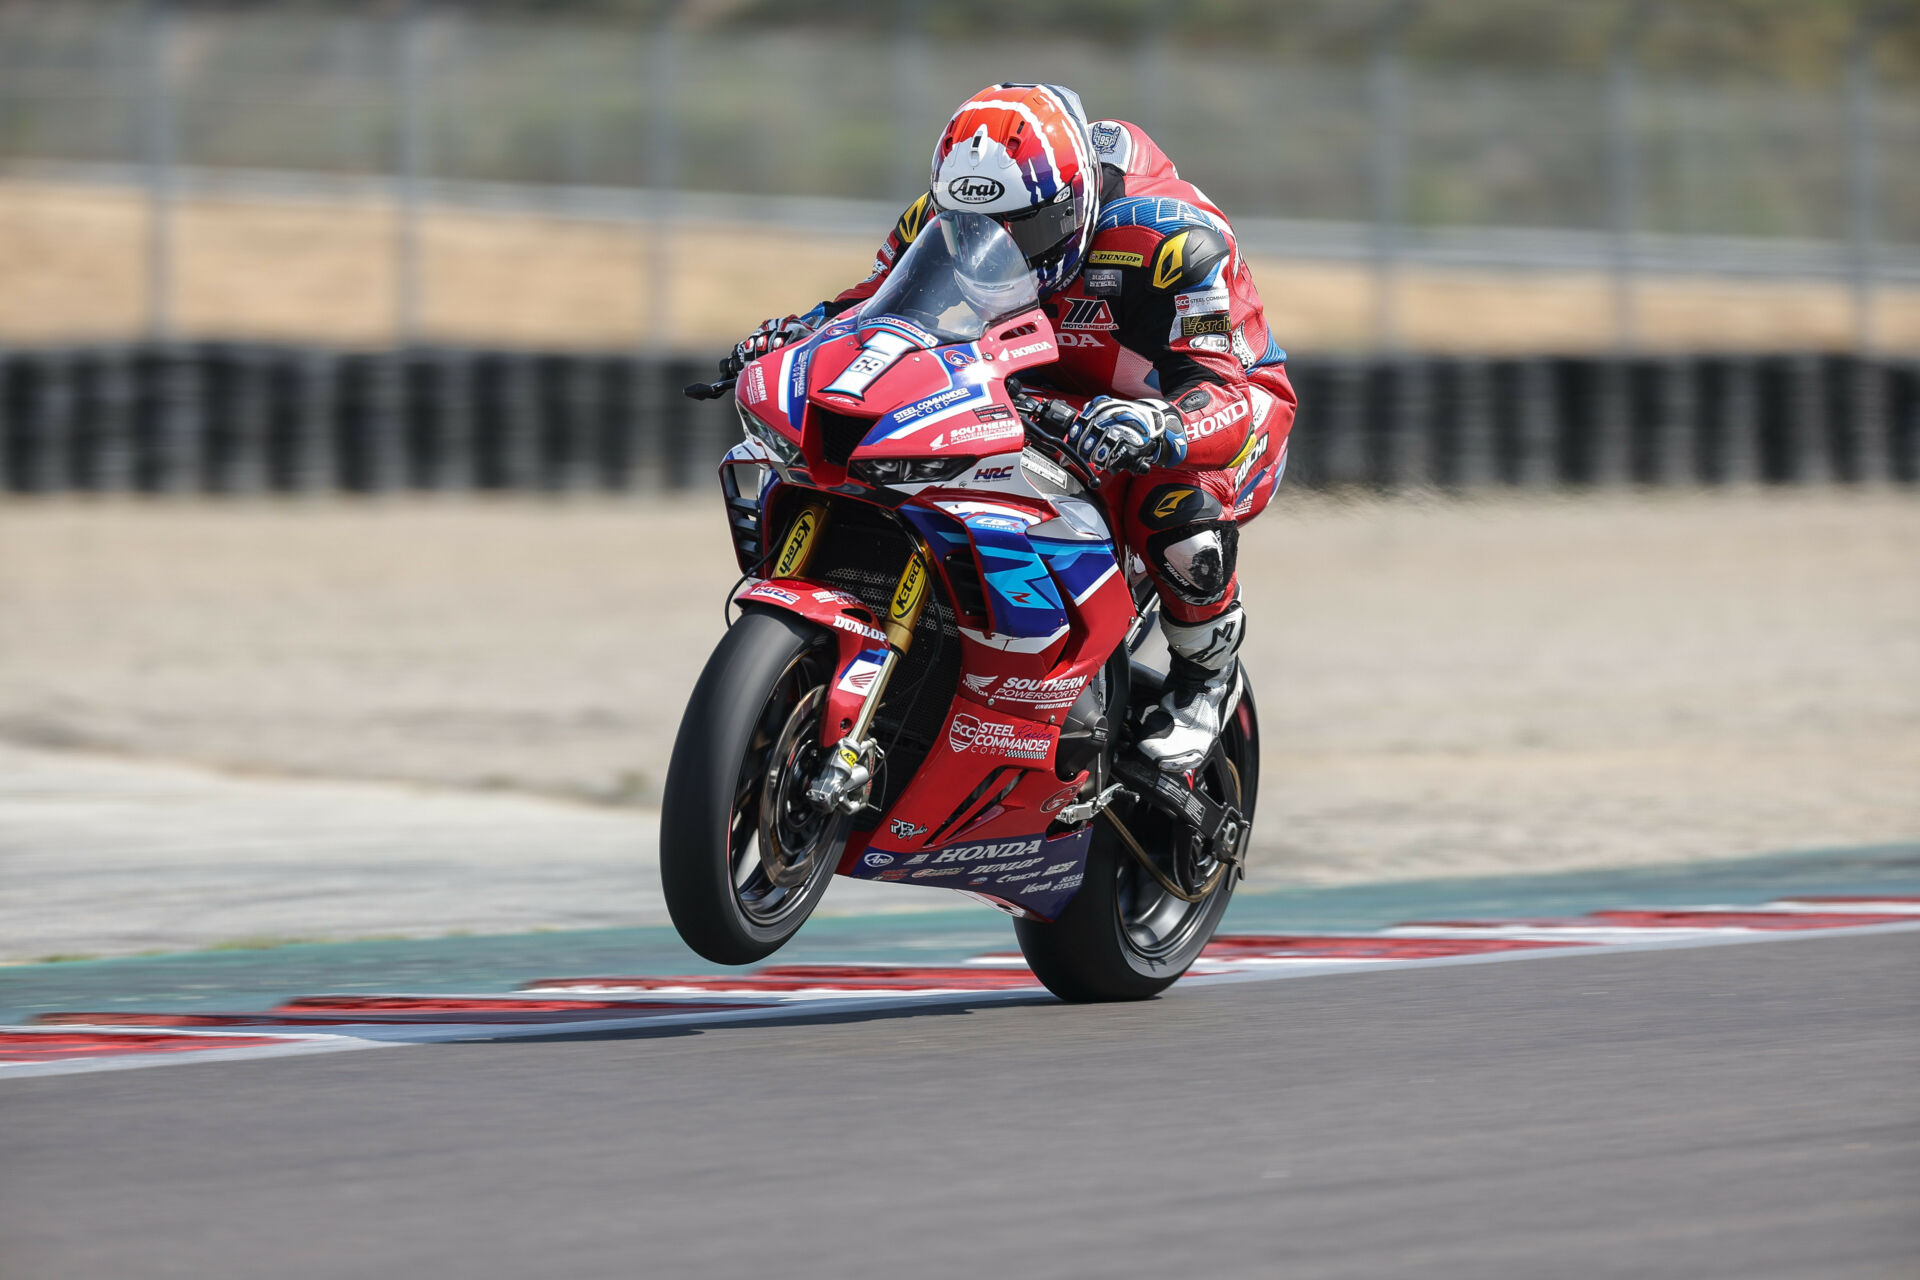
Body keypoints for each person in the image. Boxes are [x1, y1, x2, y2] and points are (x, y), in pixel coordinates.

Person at [731, 83, 1297, 774]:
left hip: (1202, 406)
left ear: (1073, 203)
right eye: (974, 228)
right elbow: (872, 308)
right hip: (1031, 386)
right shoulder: (937, 220)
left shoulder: (1173, 240)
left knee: (1169, 507)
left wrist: (1162, 425)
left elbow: (1225, 384)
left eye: (1020, 231)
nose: (1001, 249)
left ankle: (1204, 677)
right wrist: (803, 332)